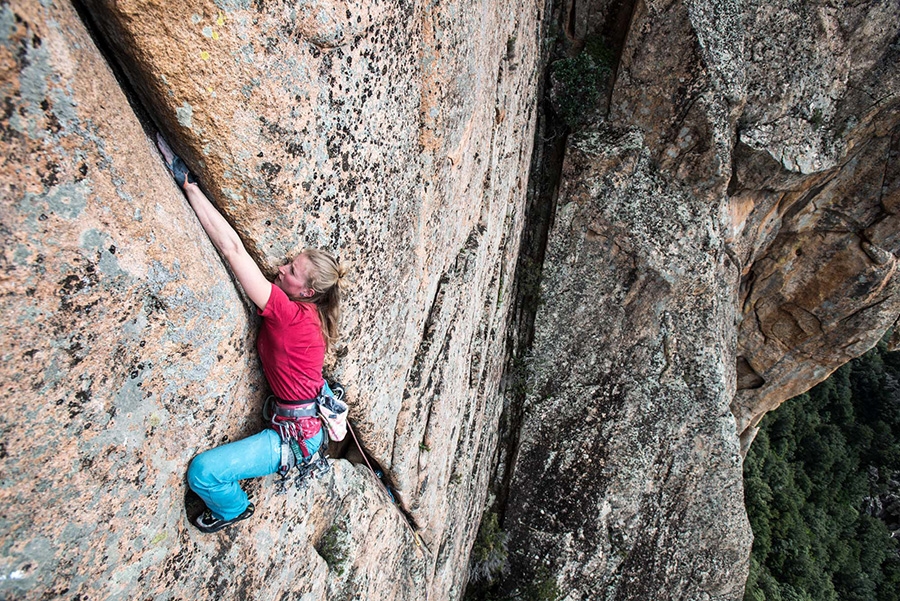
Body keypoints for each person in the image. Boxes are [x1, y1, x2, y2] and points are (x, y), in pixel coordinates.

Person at [156, 134, 347, 533]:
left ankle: (232, 509)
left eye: (291, 272)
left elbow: (233, 250)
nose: (281, 271)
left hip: (296, 438)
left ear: (308, 292)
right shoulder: (309, 314)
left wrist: (187, 182)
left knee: (204, 473)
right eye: (289, 264)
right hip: (299, 422)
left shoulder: (288, 313)